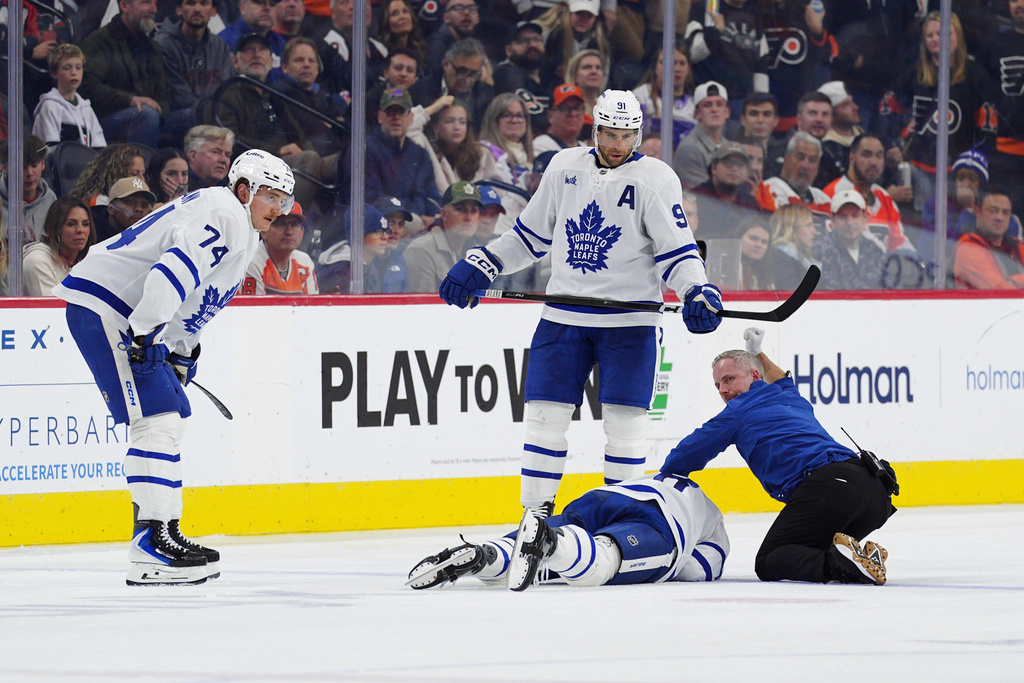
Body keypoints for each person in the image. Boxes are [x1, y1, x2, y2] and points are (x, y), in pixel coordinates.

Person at [437, 90, 723, 517]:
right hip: (564, 318)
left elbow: (677, 252)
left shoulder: (657, 178)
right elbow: (529, 237)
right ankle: (534, 519)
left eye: (626, 136)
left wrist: (697, 291)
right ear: (595, 129)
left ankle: (621, 518)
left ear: (638, 135)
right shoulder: (563, 166)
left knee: (625, 427)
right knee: (544, 418)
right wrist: (484, 262)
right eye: (609, 134)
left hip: (629, 323)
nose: (616, 145)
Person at [53, 149, 295, 586]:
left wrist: (181, 351)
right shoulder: (225, 213)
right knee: (157, 420)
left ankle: (164, 531)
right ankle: (149, 546)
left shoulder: (242, 229)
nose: (279, 209)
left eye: (284, 200)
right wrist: (147, 335)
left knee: (171, 418)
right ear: (244, 190)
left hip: (125, 314)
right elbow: (172, 272)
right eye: (271, 196)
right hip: (109, 310)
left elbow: (196, 302)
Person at [661, 327, 895, 585]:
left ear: (753, 375)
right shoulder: (788, 395)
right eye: (717, 385)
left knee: (770, 560)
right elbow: (781, 377)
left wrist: (659, 484)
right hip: (875, 493)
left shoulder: (737, 412)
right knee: (810, 548)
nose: (723, 390)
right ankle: (861, 558)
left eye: (729, 379)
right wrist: (758, 353)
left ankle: (842, 564)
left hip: (831, 487)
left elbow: (685, 455)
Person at [408, 471, 730, 591]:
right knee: (603, 560)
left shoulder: (666, 480)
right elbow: (695, 569)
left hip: (603, 498)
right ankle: (551, 544)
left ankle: (486, 555)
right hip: (659, 521)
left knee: (525, 550)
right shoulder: (713, 522)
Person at [880, 11, 998, 214]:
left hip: (959, 172)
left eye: (943, 33)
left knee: (955, 226)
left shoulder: (975, 75)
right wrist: (893, 145)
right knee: (923, 224)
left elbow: (988, 128)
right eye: (930, 35)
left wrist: (973, 164)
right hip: (918, 168)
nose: (936, 39)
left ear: (957, 35)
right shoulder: (913, 73)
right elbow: (887, 111)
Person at [80, 0, 170, 148]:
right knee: (146, 115)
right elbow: (88, 87)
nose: (154, 9)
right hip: (105, 120)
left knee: (192, 117)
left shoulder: (153, 47)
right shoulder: (99, 41)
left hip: (151, 116)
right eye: (146, 2)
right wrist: (130, 100)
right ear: (124, 6)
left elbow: (163, 94)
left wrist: (161, 115)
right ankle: (142, 169)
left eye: (155, 3)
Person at [364, 88, 443, 237]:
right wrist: (417, 215)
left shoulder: (420, 153)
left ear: (411, 117)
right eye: (390, 112)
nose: (396, 118)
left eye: (401, 112)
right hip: (383, 222)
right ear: (380, 116)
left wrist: (437, 215)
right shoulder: (367, 149)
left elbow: (432, 194)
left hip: (418, 219)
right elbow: (373, 198)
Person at [155, 0, 235, 146]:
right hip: (176, 117)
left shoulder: (220, 46)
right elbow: (179, 97)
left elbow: (228, 89)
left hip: (212, 115)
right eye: (191, 3)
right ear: (179, 9)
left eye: (204, 4)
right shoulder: (164, 45)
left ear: (214, 11)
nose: (197, 9)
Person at [823, 133, 910, 253]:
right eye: (866, 155)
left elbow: (900, 244)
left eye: (879, 156)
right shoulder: (833, 194)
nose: (873, 162)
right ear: (852, 158)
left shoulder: (884, 197)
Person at [410, 99, 508, 197]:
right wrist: (432, 109)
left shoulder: (482, 153)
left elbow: (498, 191)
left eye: (462, 122)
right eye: (449, 121)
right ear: (435, 127)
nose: (457, 127)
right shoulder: (426, 151)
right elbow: (408, 128)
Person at [405, 180, 482, 292]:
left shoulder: (479, 252)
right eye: (460, 209)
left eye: (474, 211)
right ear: (444, 215)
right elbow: (421, 306)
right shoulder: (421, 251)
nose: (468, 218)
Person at [411, 38, 495, 133]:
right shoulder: (420, 89)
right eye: (462, 71)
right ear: (446, 64)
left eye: (474, 73)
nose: (467, 80)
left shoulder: (485, 94)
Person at [32, 44, 108, 148]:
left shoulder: (86, 109)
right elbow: (51, 150)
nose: (74, 73)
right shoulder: (49, 107)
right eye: (67, 68)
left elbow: (100, 147)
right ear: (54, 73)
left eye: (78, 67)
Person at [22, 197, 96, 296]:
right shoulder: (37, 260)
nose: (80, 230)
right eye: (71, 224)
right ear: (56, 228)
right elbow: (50, 309)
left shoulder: (89, 261)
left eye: (85, 224)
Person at [317, 203, 399, 293]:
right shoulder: (339, 271)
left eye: (385, 231)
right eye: (378, 232)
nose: (385, 237)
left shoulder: (372, 265)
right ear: (359, 236)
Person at [242, 200, 319, 294]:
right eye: (281, 224)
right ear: (263, 231)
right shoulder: (251, 260)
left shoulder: (305, 262)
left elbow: (312, 306)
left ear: (302, 232)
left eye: (295, 225)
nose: (289, 232)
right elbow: (253, 308)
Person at [814, 189, 885, 290]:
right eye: (843, 217)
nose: (850, 223)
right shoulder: (820, 250)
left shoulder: (875, 250)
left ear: (865, 217)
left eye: (855, 216)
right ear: (833, 219)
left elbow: (887, 288)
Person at [953, 189, 1024, 290]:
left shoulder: (1016, 245)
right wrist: (1015, 282)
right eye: (993, 211)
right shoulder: (968, 248)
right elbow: (1000, 291)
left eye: (1005, 213)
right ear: (977, 212)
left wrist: (1013, 283)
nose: (1000, 218)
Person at [631, 45, 696, 152]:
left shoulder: (694, 104)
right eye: (670, 63)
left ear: (688, 69)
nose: (676, 69)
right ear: (655, 67)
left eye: (682, 63)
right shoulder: (641, 96)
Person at [492, 20, 552, 135]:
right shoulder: (506, 73)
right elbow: (536, 120)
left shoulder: (549, 77)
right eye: (523, 41)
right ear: (508, 50)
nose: (532, 45)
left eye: (536, 40)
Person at [692, 141, 762, 239]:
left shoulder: (751, 204)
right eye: (728, 163)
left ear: (747, 172)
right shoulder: (696, 198)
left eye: (740, 165)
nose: (734, 168)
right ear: (714, 168)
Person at [755, 131, 831, 219]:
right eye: (800, 157)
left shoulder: (824, 199)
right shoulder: (769, 189)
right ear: (786, 159)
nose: (805, 166)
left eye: (812, 160)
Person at [672, 81, 730, 189]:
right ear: (697, 114)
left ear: (727, 112)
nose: (714, 109)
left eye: (719, 104)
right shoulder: (689, 149)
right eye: (707, 105)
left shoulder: (728, 146)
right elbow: (702, 195)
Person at [0, 134, 57, 244]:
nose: (30, 174)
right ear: (5, 167)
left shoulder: (51, 200)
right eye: (22, 167)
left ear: (43, 164)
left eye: (34, 165)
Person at [478, 93, 536, 188]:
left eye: (520, 116)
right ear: (494, 120)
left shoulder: (532, 156)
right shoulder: (484, 152)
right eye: (507, 115)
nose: (514, 120)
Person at [69, 143, 146, 208]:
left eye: (143, 174)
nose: (142, 180)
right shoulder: (99, 204)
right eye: (134, 174)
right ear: (115, 175)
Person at [218, 0, 287, 68]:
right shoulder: (223, 44)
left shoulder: (279, 42)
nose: (267, 8)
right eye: (259, 2)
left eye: (272, 4)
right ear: (242, 8)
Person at [769, 203, 819, 291]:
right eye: (808, 225)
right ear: (792, 228)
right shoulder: (780, 259)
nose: (814, 232)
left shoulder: (804, 258)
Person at [96, 176, 157, 242]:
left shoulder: (152, 234)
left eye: (144, 204)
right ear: (111, 209)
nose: (139, 209)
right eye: (130, 202)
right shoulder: (91, 233)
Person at [425, 0, 480, 73]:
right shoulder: (437, 45)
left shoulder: (476, 44)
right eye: (458, 8)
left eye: (472, 8)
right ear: (446, 18)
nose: (467, 12)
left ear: (478, 18)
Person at [532, 83, 588, 154]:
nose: (573, 114)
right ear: (550, 115)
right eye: (564, 108)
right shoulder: (541, 146)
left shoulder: (585, 148)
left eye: (577, 108)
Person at [566, 49, 607, 137]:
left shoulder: (607, 107)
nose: (594, 71)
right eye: (587, 67)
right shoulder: (567, 106)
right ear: (574, 75)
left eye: (598, 68)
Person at [377, 0, 428, 68]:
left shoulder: (421, 48)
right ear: (386, 22)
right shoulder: (380, 52)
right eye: (395, 13)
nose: (402, 17)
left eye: (405, 11)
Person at [184, 125, 234, 190]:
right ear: (193, 155)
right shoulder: (179, 188)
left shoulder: (232, 191)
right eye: (216, 152)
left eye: (227, 155)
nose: (223, 160)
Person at [736, 217, 774, 291]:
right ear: (739, 238)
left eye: (764, 242)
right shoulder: (726, 266)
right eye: (753, 238)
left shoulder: (767, 271)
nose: (759, 245)